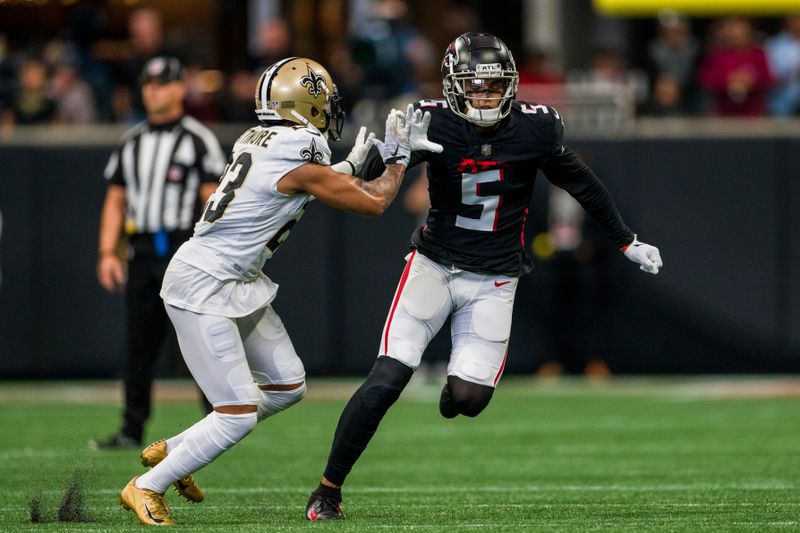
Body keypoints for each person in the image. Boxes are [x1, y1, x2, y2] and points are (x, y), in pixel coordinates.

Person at [304, 32, 663, 521]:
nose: (485, 95)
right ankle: (328, 488)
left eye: (494, 86)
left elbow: (579, 179)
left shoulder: (536, 128)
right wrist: (390, 154)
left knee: (468, 400)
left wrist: (625, 239)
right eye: (475, 86)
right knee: (389, 377)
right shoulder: (430, 119)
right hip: (433, 265)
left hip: (494, 277)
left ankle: (455, 388)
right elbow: (369, 184)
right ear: (454, 85)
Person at [117, 56, 440, 526]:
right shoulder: (299, 148)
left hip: (233, 278)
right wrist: (401, 159)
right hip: (204, 284)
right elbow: (373, 202)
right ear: (305, 103)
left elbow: (303, 183)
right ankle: (148, 486)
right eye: (323, 101)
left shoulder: (264, 138)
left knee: (287, 385)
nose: (329, 110)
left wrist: (358, 162)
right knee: (237, 414)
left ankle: (181, 449)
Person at [93, 56, 225, 450]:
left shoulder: (198, 139)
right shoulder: (131, 141)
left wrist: (212, 255)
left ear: (180, 88)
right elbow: (116, 199)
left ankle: (218, 424)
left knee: (199, 340)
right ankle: (132, 428)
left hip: (185, 250)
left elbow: (213, 202)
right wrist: (107, 252)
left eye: (162, 83)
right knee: (139, 343)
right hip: (142, 251)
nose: (153, 90)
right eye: (148, 84)